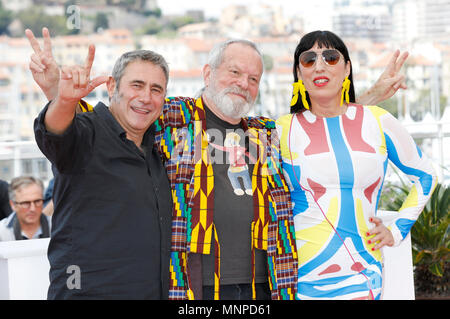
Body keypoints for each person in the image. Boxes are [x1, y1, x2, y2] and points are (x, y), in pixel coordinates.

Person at [28, 29, 408, 300]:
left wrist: (371, 95)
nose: (243, 83)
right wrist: (55, 92)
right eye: (234, 72)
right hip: (199, 285)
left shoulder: (267, 131)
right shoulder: (171, 115)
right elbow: (121, 114)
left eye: (253, 78)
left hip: (268, 282)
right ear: (208, 74)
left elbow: (320, 119)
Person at [276, 30, 438, 300]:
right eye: (308, 59)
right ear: (298, 73)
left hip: (362, 274)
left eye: (330, 57)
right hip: (298, 276)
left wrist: (397, 229)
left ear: (347, 67)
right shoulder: (281, 130)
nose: (320, 65)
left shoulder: (378, 121)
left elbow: (426, 175)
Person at [30, 28, 173, 299]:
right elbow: (56, 133)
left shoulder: (159, 148)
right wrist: (63, 100)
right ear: (111, 86)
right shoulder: (86, 132)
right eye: (137, 85)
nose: (146, 98)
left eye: (156, 90)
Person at [0, 176, 50, 241]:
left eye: (37, 201)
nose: (33, 208)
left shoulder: (58, 227)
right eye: (26, 203)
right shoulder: (2, 232)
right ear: (13, 205)